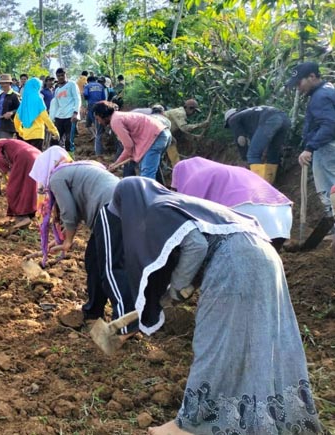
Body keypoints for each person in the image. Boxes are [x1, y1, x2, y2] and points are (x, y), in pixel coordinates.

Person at [108, 177, 327, 435]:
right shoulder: (182, 203)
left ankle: (188, 425)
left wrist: (178, 288)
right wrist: (172, 292)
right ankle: (275, 413)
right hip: (264, 256)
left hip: (235, 262)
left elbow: (196, 246)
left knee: (213, 342)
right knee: (264, 339)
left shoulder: (157, 208)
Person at [29, 147, 139, 337]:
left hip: (111, 209)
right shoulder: (79, 167)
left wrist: (68, 241)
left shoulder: (57, 177)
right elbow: (79, 204)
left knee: (112, 268)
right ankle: (93, 311)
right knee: (93, 260)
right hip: (121, 206)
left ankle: (127, 325)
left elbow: (69, 212)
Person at [172, 157, 293, 250]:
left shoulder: (194, 179)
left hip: (246, 215)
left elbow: (187, 220)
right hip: (282, 213)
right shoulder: (235, 170)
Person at [286, 61, 335, 227]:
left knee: (330, 190)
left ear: (312, 77)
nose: (298, 88)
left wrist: (309, 148)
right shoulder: (328, 90)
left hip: (327, 147)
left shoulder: (320, 96)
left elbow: (329, 125)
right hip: (329, 146)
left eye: (299, 83)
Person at [95, 101, 171, 179]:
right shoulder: (119, 116)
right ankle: (160, 189)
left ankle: (147, 191)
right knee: (152, 169)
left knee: (146, 176)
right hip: (163, 133)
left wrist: (117, 163)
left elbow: (129, 146)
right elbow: (130, 147)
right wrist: (117, 163)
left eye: (98, 119)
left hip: (155, 138)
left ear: (102, 115)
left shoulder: (115, 121)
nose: (99, 122)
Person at [223, 106, 290, 183]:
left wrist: (245, 158)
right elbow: (256, 139)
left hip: (270, 120)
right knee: (273, 153)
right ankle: (270, 182)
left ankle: (258, 186)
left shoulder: (233, 119)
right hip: (284, 118)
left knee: (252, 155)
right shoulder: (250, 115)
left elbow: (241, 140)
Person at [0, 138, 41, 228]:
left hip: (24, 157)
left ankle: (21, 215)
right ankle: (31, 213)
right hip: (38, 155)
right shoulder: (12, 143)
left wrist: (6, 170)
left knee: (14, 187)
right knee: (31, 186)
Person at [14, 77, 60, 151]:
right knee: (37, 159)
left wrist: (20, 131)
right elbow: (45, 117)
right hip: (38, 134)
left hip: (26, 135)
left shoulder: (24, 100)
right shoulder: (38, 98)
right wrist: (54, 131)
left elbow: (16, 119)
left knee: (28, 159)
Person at [163, 99, 210, 165]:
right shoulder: (180, 113)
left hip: (161, 130)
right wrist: (200, 125)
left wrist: (193, 136)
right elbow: (184, 128)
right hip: (160, 131)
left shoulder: (178, 112)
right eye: (194, 111)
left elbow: (181, 130)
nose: (194, 113)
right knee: (171, 141)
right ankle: (176, 165)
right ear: (189, 108)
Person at [49, 67, 81, 152]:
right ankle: (57, 159)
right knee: (54, 140)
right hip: (59, 117)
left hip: (70, 116)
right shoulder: (57, 90)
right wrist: (52, 118)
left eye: (62, 75)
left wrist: (75, 112)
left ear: (66, 75)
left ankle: (71, 160)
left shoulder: (72, 85)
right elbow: (55, 105)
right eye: (58, 76)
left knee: (69, 141)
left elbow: (77, 99)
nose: (60, 77)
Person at [83, 75, 108, 153]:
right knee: (100, 125)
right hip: (101, 105)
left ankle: (98, 150)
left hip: (92, 106)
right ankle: (102, 144)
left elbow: (86, 95)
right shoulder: (101, 86)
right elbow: (104, 98)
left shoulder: (87, 86)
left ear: (88, 81)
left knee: (96, 125)